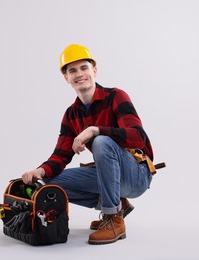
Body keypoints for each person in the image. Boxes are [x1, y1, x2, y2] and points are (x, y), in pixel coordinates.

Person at [22, 43, 155, 245]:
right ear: (66, 78)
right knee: (47, 184)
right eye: (72, 70)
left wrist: (95, 130)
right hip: (110, 175)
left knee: (101, 142)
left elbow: (138, 137)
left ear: (94, 70)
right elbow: (60, 156)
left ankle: (113, 218)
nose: (79, 74)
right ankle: (118, 204)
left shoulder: (115, 96)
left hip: (136, 175)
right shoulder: (71, 114)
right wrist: (40, 171)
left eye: (84, 67)